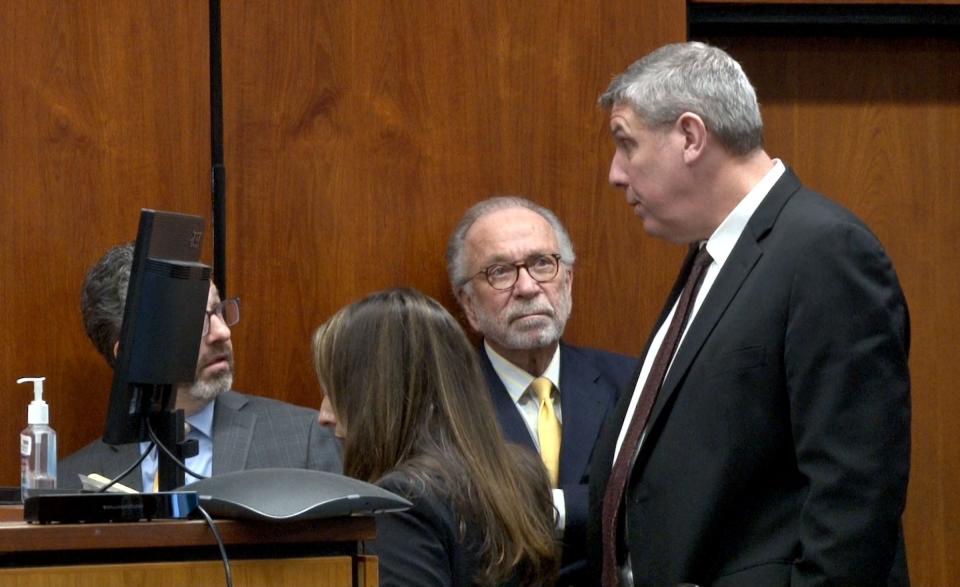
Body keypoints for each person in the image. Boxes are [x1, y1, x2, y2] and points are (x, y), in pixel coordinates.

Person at [588, 41, 911, 586]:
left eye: (627, 144)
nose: (616, 174)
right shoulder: (711, 253)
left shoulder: (825, 251)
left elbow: (855, 495)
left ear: (690, 136)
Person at [312, 287, 560, 587]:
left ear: (375, 394)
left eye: (337, 391)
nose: (324, 415)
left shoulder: (401, 500)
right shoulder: (522, 472)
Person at [446, 196, 634, 584]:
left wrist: (546, 508)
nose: (528, 287)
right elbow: (457, 524)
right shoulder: (442, 402)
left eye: (542, 264)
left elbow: (653, 502)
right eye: (500, 272)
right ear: (468, 304)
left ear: (567, 280)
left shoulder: (633, 384)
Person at [59, 243, 342, 490]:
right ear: (131, 354)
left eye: (219, 311)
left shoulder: (303, 441)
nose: (222, 332)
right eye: (194, 320)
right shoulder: (69, 482)